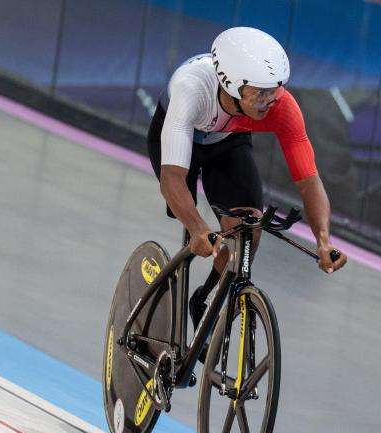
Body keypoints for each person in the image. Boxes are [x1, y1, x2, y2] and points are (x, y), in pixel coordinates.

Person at [147, 27, 347, 332]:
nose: (271, 99)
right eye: (261, 92)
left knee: (247, 231)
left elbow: (309, 180)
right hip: (176, 135)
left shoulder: (282, 106)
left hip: (227, 143)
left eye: (276, 89)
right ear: (231, 84)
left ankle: (204, 298)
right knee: (189, 219)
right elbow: (172, 177)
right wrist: (198, 227)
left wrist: (323, 240)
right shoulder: (193, 88)